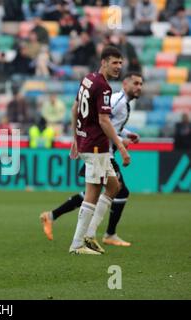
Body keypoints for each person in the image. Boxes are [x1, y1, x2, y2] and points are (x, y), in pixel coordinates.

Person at [41, 72, 143, 248]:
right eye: (135, 83)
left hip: (101, 148)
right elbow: (102, 121)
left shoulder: (122, 103)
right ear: (125, 84)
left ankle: (54, 216)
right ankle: (101, 235)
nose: (139, 87)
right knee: (116, 190)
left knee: (94, 191)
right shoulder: (116, 100)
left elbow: (111, 124)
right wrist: (121, 143)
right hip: (100, 150)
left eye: (141, 84)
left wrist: (125, 134)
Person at [63, 46, 131, 255]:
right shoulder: (103, 87)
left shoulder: (88, 79)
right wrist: (121, 146)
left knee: (114, 187)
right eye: (114, 62)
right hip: (95, 146)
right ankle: (77, 244)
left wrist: (75, 136)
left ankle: (90, 235)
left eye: (120, 63)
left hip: (87, 142)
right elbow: (103, 120)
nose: (118, 67)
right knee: (92, 192)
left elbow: (75, 108)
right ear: (104, 62)